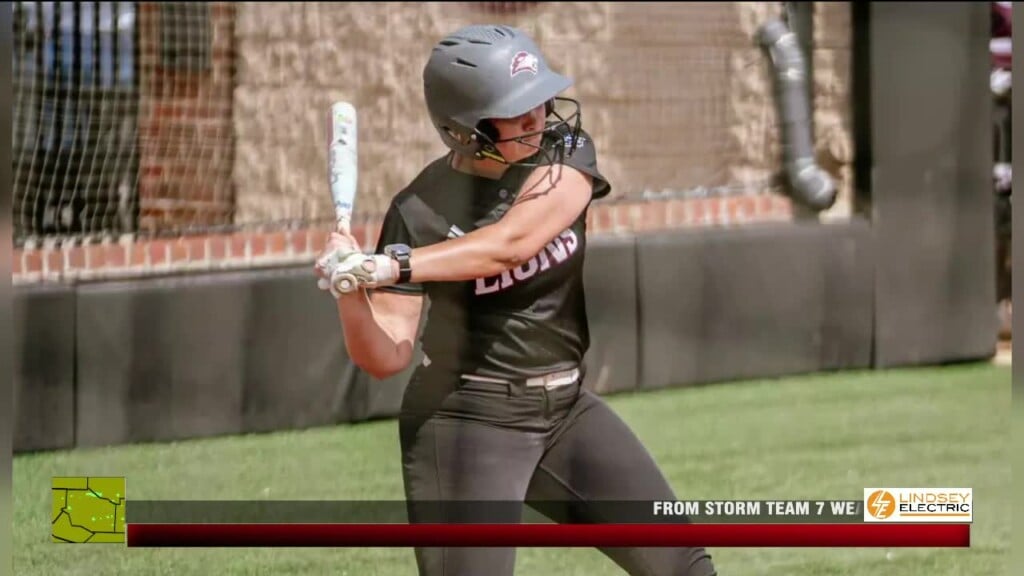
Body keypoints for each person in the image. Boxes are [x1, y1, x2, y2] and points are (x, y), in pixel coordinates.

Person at [314, 24, 718, 576]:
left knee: (683, 565)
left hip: (566, 408)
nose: (539, 116)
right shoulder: (418, 210)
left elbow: (512, 242)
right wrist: (349, 287)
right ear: (466, 129)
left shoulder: (566, 151)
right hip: (465, 422)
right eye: (516, 110)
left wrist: (392, 264)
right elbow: (384, 356)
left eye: (539, 100)